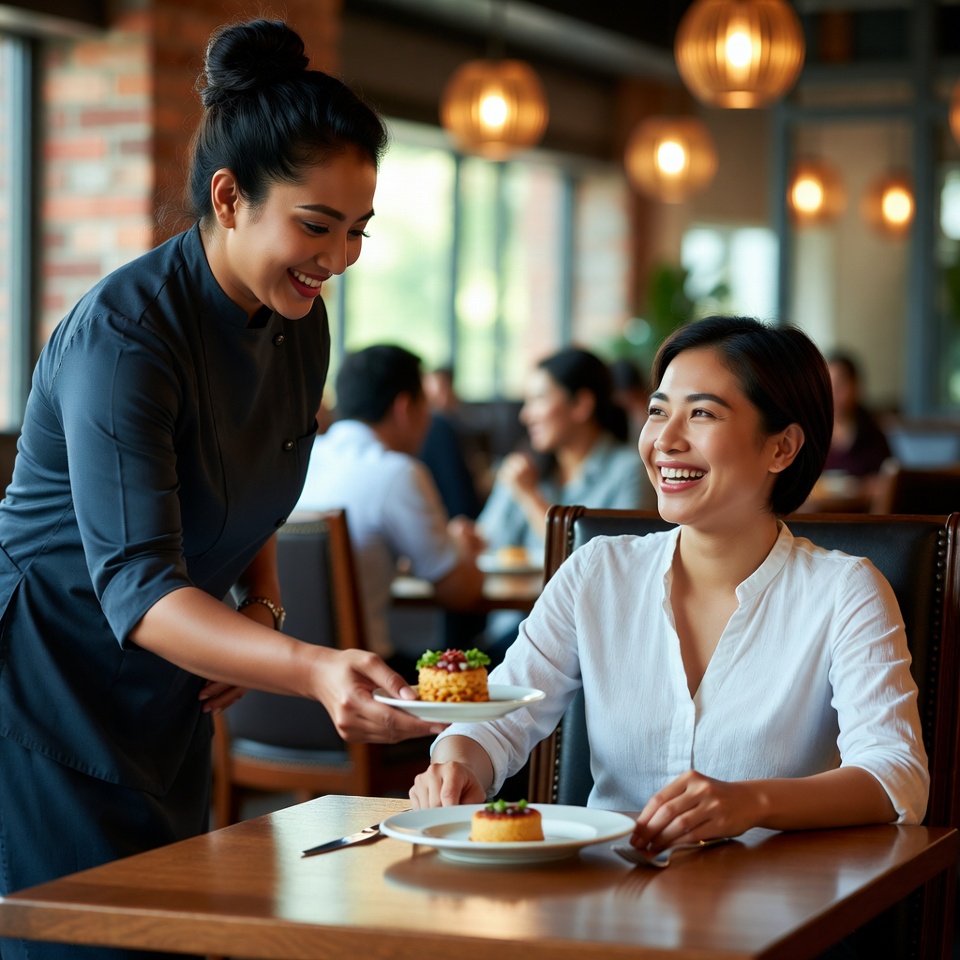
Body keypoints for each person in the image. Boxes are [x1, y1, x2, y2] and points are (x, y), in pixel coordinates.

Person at [0, 20, 443, 959]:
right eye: (317, 226)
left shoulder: (297, 321)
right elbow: (138, 583)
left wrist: (263, 603)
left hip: (170, 688)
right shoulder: (128, 338)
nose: (340, 257)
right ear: (230, 196)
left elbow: (247, 489)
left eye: (358, 230)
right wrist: (317, 668)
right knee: (85, 941)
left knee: (173, 932)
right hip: (50, 682)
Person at [411, 316, 929, 858]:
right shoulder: (597, 572)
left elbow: (895, 774)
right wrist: (458, 765)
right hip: (600, 898)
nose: (665, 440)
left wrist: (751, 803)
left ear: (782, 448)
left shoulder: (845, 592)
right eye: (658, 411)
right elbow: (500, 720)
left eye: (701, 413)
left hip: (772, 907)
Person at [295, 345, 484, 677]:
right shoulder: (397, 472)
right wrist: (463, 546)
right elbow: (459, 593)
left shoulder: (301, 462)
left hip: (280, 681)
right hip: (365, 684)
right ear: (405, 407)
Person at [473, 347, 651, 657]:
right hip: (514, 628)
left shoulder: (630, 471)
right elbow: (484, 545)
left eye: (539, 399)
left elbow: (605, 569)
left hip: (583, 640)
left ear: (581, 404)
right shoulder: (529, 469)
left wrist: (529, 497)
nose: (525, 414)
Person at [824, 351, 892, 478]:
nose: (833, 393)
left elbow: (888, 480)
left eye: (839, 384)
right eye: (828, 385)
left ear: (855, 386)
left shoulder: (873, 434)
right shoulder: (815, 434)